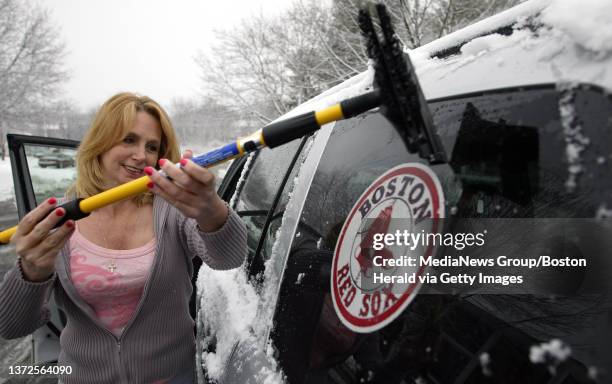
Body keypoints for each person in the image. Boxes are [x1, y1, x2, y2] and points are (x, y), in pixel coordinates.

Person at [0, 92, 247, 383]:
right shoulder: (60, 219)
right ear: (100, 143)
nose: (141, 155)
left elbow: (229, 258)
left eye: (152, 146)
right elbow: (11, 326)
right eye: (128, 140)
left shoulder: (172, 210)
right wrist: (32, 271)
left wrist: (213, 212)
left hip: (171, 376)